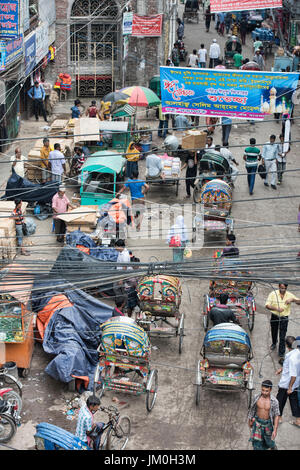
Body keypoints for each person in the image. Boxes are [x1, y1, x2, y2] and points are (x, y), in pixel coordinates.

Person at [265, 283, 300, 364]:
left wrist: (293, 300)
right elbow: (267, 305)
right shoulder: (273, 294)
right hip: (275, 316)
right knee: (274, 331)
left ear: (286, 288)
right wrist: (276, 308)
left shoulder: (289, 295)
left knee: (282, 335)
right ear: (279, 287)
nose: (282, 289)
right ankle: (274, 343)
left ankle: (281, 352)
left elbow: (299, 302)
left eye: (284, 288)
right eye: (281, 288)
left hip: (284, 318)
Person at [275, 336, 300, 427]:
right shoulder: (297, 352)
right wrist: (281, 369)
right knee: (294, 401)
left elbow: (293, 375)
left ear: (286, 345)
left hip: (287, 384)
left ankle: (278, 417)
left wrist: (290, 388)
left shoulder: (292, 358)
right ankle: (298, 420)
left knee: (280, 400)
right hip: (295, 383)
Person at [248, 380, 280, 450]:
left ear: (270, 390)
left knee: (269, 441)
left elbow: (277, 415)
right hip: (257, 423)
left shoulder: (274, 401)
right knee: (257, 444)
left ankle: (272, 446)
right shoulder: (256, 397)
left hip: (268, 424)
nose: (264, 392)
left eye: (267, 391)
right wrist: (250, 420)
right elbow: (252, 409)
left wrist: (275, 430)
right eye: (263, 390)